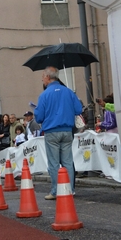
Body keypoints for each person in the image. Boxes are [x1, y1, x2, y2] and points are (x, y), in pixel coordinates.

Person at [35, 66, 83, 200]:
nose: (42, 79)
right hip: (67, 130)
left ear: (48, 77)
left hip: (51, 131)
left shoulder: (44, 95)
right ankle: (70, 189)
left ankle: (56, 191)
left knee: (54, 163)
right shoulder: (68, 91)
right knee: (68, 161)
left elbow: (39, 117)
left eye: (43, 77)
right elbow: (78, 109)